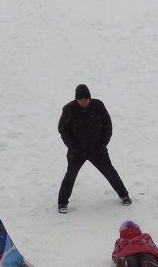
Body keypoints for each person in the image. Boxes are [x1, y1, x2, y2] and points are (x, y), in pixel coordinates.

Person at [56, 84, 131, 212]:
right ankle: (62, 203)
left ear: (90, 98)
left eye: (86, 99)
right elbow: (63, 130)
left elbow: (107, 125)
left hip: (97, 149)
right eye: (80, 99)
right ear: (76, 99)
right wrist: (73, 148)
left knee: (110, 172)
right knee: (70, 175)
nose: (83, 101)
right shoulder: (69, 109)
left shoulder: (98, 105)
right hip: (77, 152)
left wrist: (103, 143)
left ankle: (124, 195)